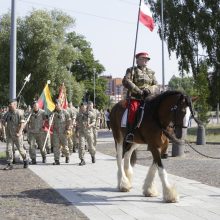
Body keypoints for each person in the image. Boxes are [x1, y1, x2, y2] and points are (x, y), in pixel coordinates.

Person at [122, 52, 158, 143]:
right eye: (143, 59)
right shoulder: (131, 70)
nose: (145, 61)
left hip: (149, 97)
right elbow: (126, 81)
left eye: (146, 59)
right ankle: (130, 133)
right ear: (137, 60)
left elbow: (156, 84)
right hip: (136, 97)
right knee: (133, 111)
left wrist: (149, 90)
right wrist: (138, 90)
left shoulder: (151, 72)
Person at [3, 99, 29, 170]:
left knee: (21, 150)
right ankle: (9, 163)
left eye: (10, 104)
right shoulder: (7, 113)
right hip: (9, 135)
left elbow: (22, 123)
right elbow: (3, 120)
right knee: (8, 149)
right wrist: (4, 123)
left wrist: (20, 132)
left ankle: (25, 159)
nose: (9, 105)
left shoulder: (19, 113)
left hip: (17, 135)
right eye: (9, 104)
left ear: (15, 105)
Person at [52, 99, 71, 165]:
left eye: (57, 104)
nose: (56, 105)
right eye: (55, 104)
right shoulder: (53, 113)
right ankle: (57, 160)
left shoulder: (65, 112)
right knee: (56, 146)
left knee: (65, 146)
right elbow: (50, 122)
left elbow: (69, 121)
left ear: (60, 104)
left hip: (63, 132)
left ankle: (67, 156)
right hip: (56, 132)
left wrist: (68, 129)